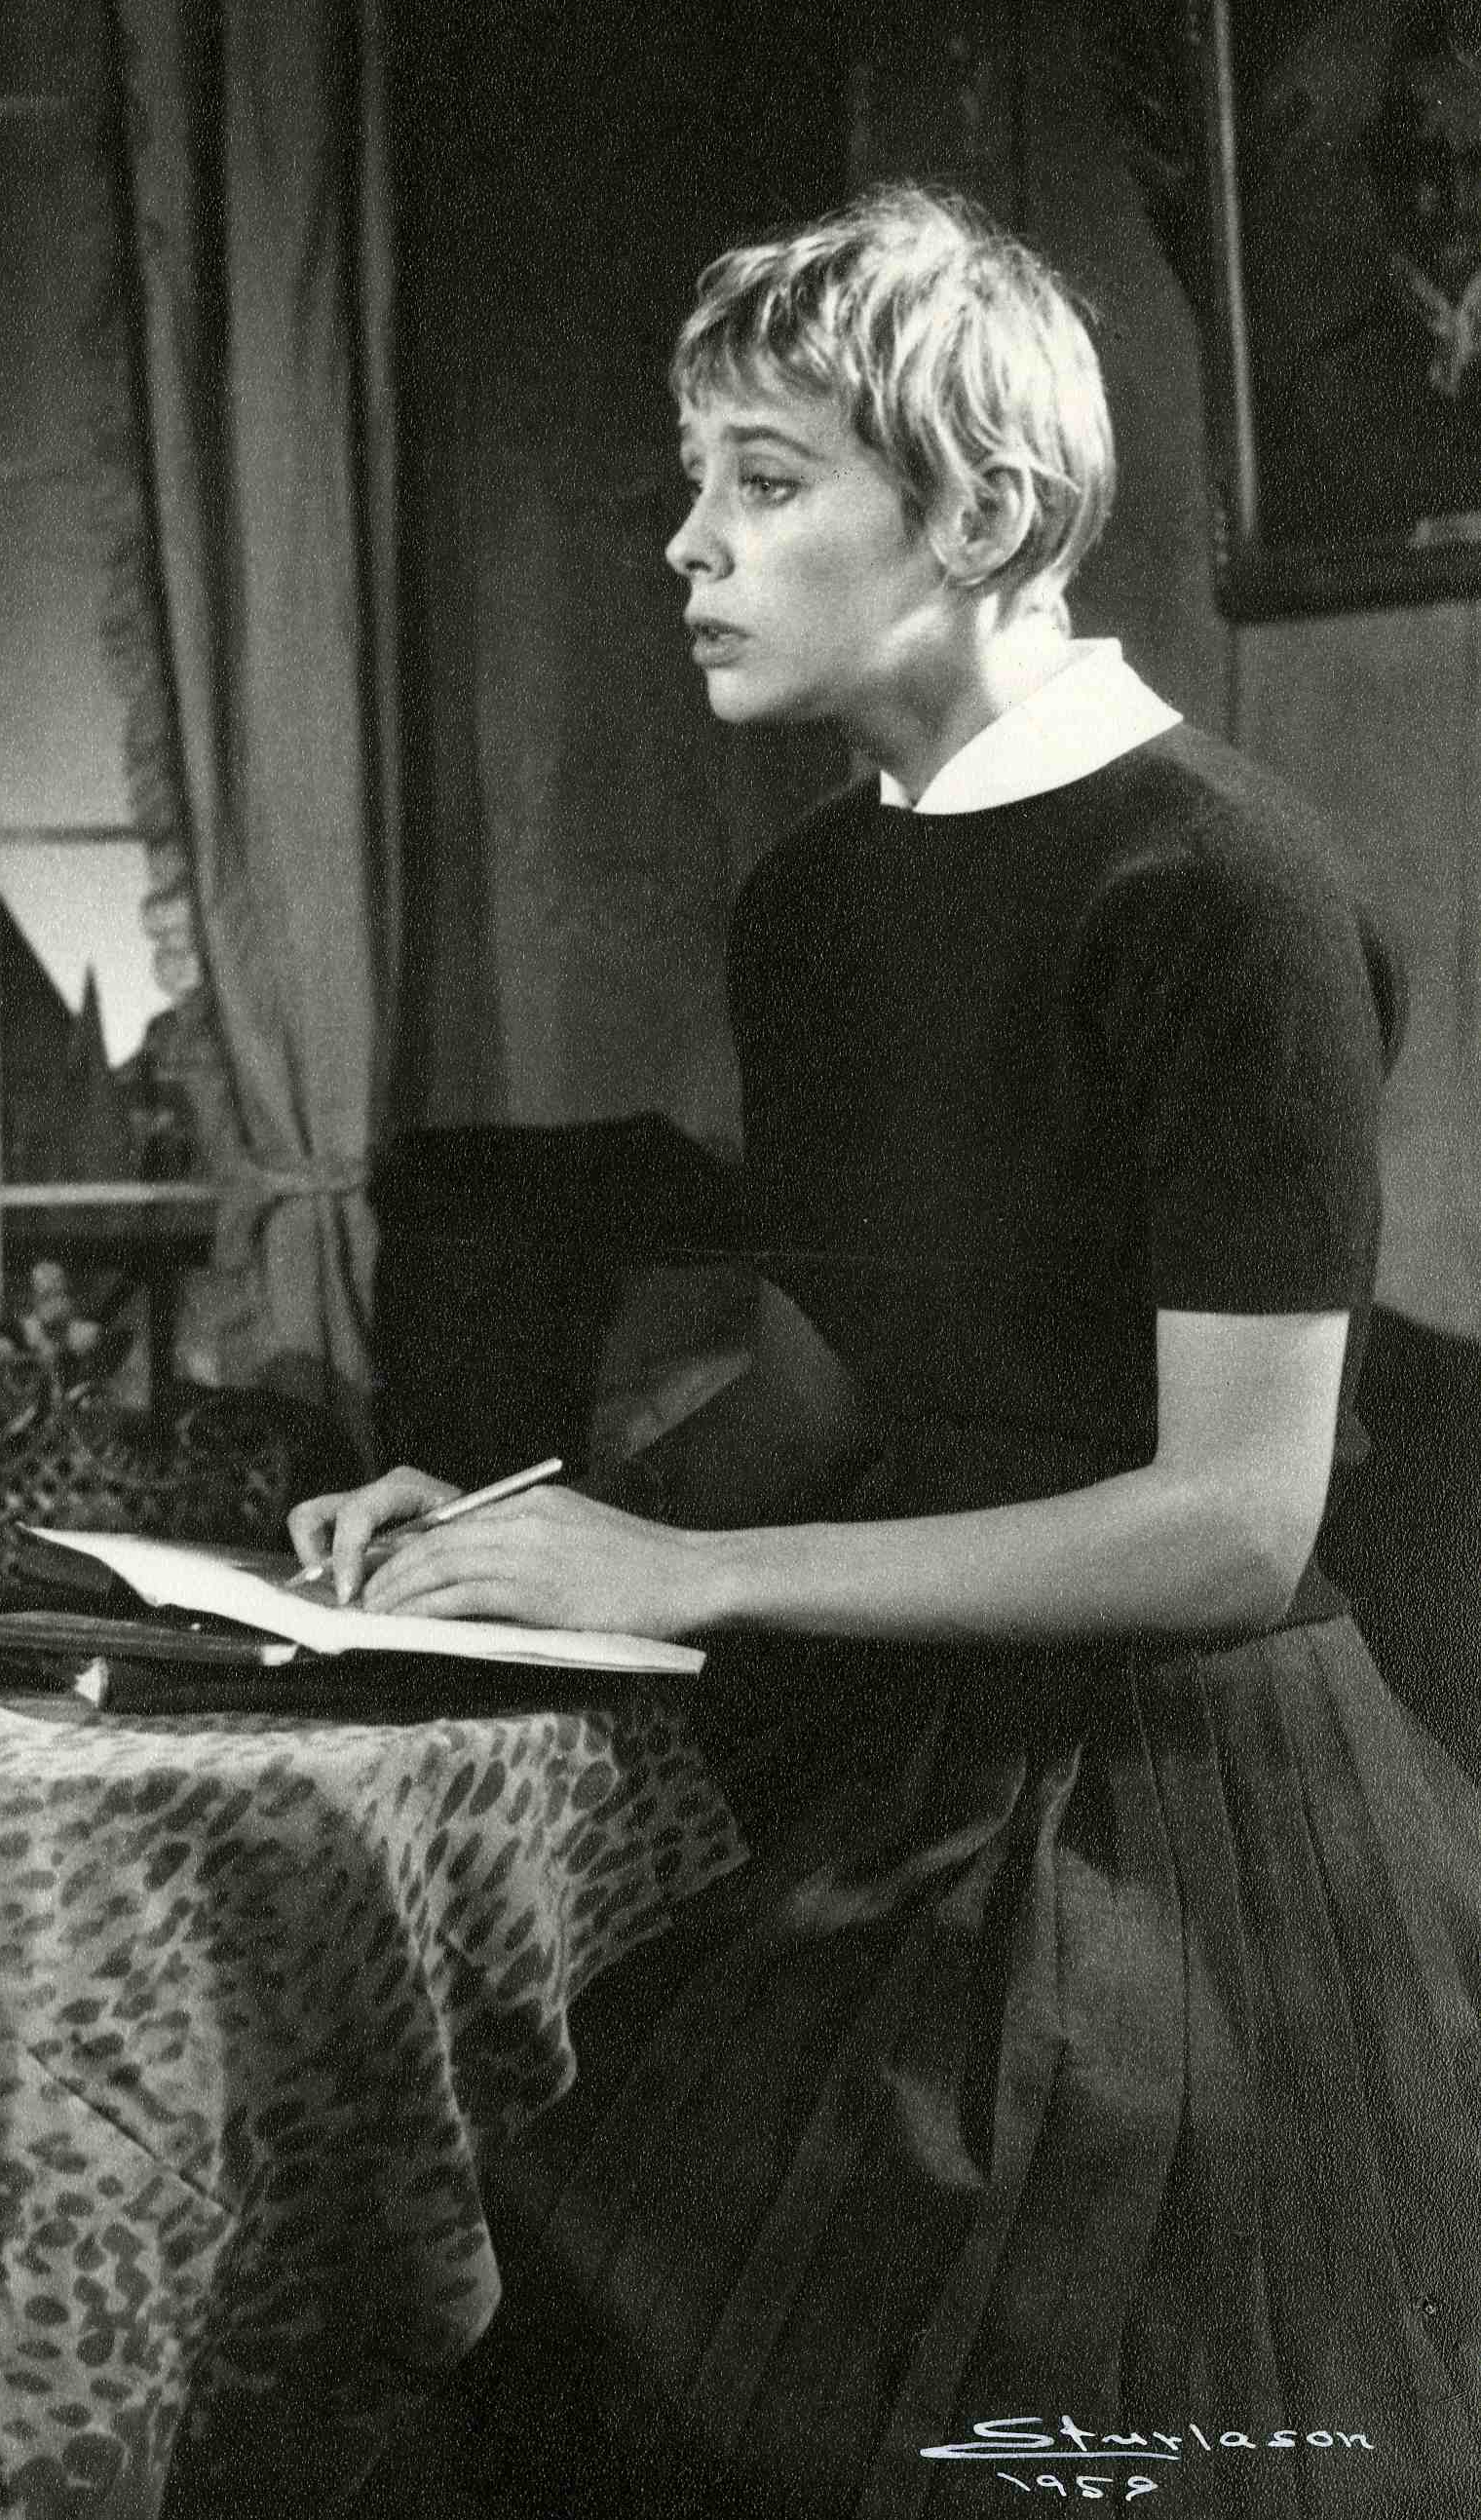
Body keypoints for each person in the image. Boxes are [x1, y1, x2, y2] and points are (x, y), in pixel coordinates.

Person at [297, 188, 1481, 2517]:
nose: (686, 544)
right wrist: (519, 1530)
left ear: (983, 515)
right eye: (693, 480)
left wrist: (689, 1578)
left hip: (1173, 1830)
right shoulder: (816, 901)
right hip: (894, 1755)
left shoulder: (1223, 890)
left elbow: (1236, 1529)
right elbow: (815, 1399)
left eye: (762, 481)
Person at [1273, 0, 1481, 544]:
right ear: (1379, 177)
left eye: (1474, 164)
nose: (1452, 199)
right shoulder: (1331, 387)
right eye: (1424, 162)